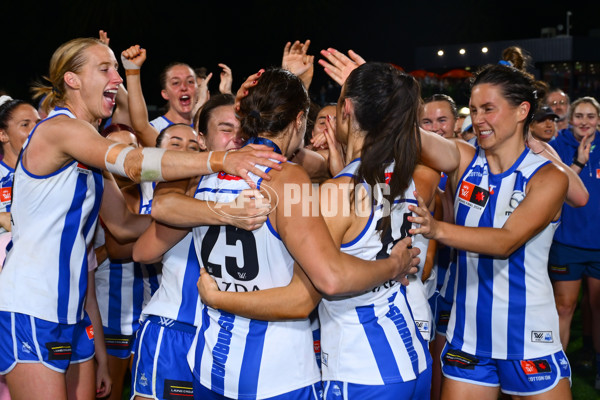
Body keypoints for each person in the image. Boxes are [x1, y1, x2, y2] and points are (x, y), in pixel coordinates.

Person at [132, 66, 452, 400]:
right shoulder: (399, 174)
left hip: (211, 361)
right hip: (286, 371)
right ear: (299, 120)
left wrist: (216, 295)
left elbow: (157, 209)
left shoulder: (200, 180)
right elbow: (308, 294)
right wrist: (394, 266)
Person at [0, 36, 284, 400]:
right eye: (105, 69)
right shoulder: (59, 129)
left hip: (73, 312)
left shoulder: (88, 147)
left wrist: (201, 213)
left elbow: (124, 226)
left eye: (116, 70)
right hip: (31, 305)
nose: (116, 78)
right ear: (72, 79)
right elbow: (135, 163)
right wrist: (220, 160)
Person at [410, 63, 572, 399]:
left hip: (528, 337)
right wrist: (379, 93)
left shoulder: (548, 178)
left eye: (489, 109)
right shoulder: (465, 160)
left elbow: (505, 241)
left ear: (521, 111)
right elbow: (405, 133)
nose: (478, 119)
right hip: (468, 336)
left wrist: (437, 228)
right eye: (475, 109)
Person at [128, 94, 263, 400]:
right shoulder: (185, 184)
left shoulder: (259, 184)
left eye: (243, 130)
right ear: (203, 139)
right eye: (226, 129)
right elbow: (143, 252)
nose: (236, 138)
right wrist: (216, 209)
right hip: (178, 325)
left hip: (227, 332)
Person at [547, 96, 600, 389]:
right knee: (564, 308)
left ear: (598, 119)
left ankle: (597, 367)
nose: (584, 122)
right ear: (570, 116)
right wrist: (578, 161)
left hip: (599, 242)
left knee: (598, 305)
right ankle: (558, 371)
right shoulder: (556, 146)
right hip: (567, 241)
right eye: (579, 115)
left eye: (590, 116)